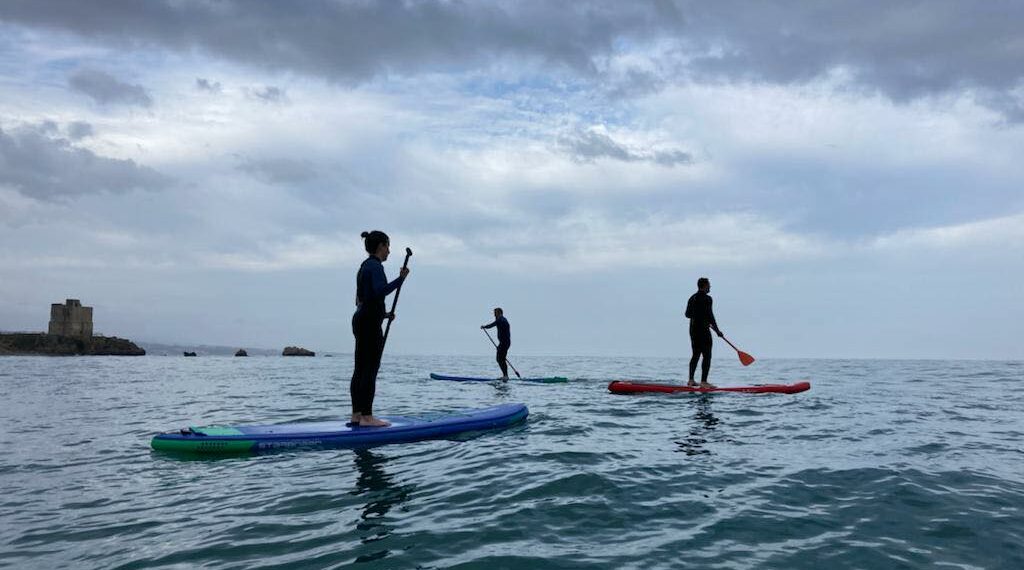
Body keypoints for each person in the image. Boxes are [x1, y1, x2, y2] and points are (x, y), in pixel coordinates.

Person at [350, 230, 409, 427]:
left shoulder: (363, 267)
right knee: (370, 369)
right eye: (387, 246)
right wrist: (400, 279)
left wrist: (383, 315)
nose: (389, 251)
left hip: (361, 319)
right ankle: (367, 417)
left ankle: (357, 415)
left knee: (360, 369)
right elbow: (380, 291)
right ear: (380, 246)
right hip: (368, 323)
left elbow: (362, 300)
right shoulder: (375, 267)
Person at [685, 277, 723, 388]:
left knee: (695, 354)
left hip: (693, 330)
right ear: (705, 286)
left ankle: (691, 380)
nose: (710, 287)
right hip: (703, 331)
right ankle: (704, 382)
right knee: (707, 355)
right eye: (709, 285)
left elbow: (687, 314)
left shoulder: (692, 298)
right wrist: (717, 331)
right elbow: (710, 316)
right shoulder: (708, 299)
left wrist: (698, 315)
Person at [481, 307, 511, 380]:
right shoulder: (502, 319)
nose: (494, 314)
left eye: (495, 313)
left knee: (500, 359)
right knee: (500, 359)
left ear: (499, 313)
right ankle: (505, 375)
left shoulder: (501, 319)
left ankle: (506, 376)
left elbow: (492, 325)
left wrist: (484, 326)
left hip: (504, 343)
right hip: (503, 343)